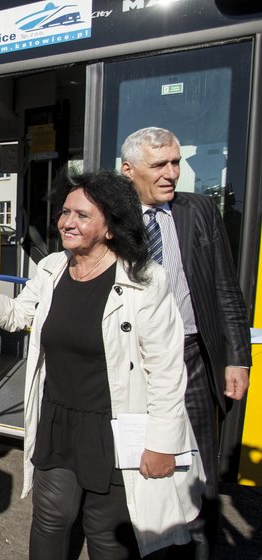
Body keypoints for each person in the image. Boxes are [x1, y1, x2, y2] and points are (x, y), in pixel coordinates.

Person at [0, 170, 204, 558]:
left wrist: (162, 444)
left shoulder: (146, 281)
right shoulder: (52, 267)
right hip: (57, 420)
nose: (67, 222)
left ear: (112, 227)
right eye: (65, 212)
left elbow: (167, 370)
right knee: (50, 519)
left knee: (104, 532)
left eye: (82, 215)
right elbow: (20, 315)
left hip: (113, 426)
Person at [120, 127, 251, 558]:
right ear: (128, 171)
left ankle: (200, 551)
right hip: (132, 362)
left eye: (176, 162)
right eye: (160, 165)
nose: (172, 173)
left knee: (200, 476)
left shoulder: (199, 211)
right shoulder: (109, 217)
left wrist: (237, 358)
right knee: (134, 468)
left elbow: (225, 287)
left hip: (192, 357)